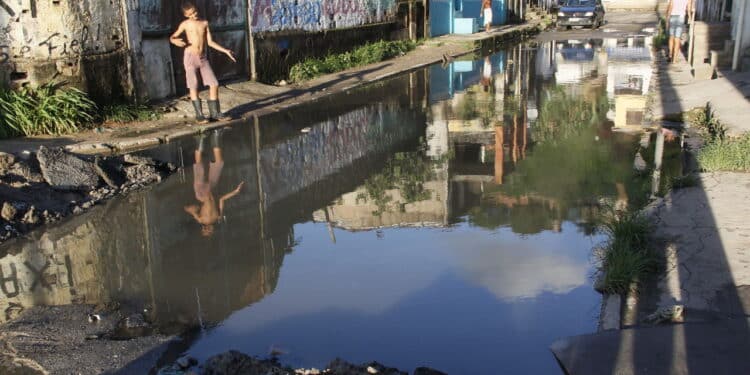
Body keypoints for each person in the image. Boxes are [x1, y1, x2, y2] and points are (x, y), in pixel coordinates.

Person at [170, 1, 236, 123]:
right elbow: (173, 37)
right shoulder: (185, 24)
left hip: (202, 58)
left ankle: (215, 113)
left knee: (214, 83)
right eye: (190, 14)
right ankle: (199, 115)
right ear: (186, 15)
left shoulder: (204, 23)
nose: (194, 15)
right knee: (193, 85)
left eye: (194, 12)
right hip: (190, 57)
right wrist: (174, 41)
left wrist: (225, 50)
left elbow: (210, 42)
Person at [184, 131, 244, 237]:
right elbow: (221, 199)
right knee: (219, 164)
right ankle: (216, 135)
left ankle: (200, 139)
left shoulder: (200, 220)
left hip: (201, 193)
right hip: (212, 188)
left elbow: (188, 209)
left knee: (199, 165)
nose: (208, 230)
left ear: (203, 229)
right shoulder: (218, 217)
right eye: (210, 232)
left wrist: (192, 209)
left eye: (205, 232)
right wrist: (235, 192)